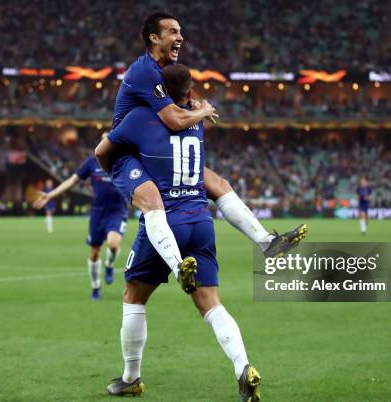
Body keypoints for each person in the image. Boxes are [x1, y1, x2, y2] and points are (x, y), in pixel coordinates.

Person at [97, 12, 306, 292]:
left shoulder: (163, 71)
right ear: (154, 38)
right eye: (172, 31)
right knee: (152, 200)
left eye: (180, 31)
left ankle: (267, 243)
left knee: (219, 184)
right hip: (127, 154)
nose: (180, 37)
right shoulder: (144, 70)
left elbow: (177, 101)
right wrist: (205, 110)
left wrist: (192, 102)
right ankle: (177, 265)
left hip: (155, 150)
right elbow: (173, 120)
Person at [104, 64, 261, 402]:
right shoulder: (196, 117)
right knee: (212, 305)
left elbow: (103, 150)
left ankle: (131, 378)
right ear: (189, 92)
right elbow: (184, 124)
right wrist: (202, 106)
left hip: (165, 222)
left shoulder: (140, 117)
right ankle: (243, 366)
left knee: (134, 296)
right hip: (201, 221)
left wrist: (123, 175)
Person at [33, 150, 127, 300]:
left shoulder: (123, 160)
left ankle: (109, 264)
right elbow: (72, 181)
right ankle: (95, 286)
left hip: (117, 211)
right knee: (95, 250)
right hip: (98, 213)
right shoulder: (92, 163)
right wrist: (51, 195)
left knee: (114, 244)